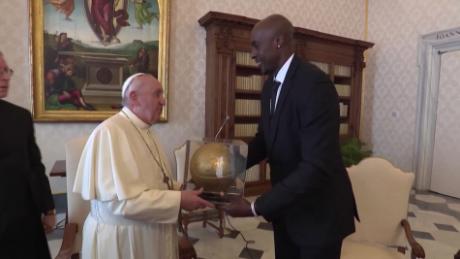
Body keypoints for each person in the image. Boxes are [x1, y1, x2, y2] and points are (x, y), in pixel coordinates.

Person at [223, 15, 357, 259]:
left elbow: (315, 166)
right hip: (286, 208)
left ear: (277, 42)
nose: (251, 53)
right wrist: (226, 166)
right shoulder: (269, 87)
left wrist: (254, 207)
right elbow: (265, 140)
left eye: (255, 45)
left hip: (319, 215)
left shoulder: (314, 85)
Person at [73, 73, 213, 259]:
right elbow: (120, 203)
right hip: (123, 240)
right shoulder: (110, 132)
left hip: (150, 233)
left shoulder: (145, 130)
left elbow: (154, 179)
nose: (163, 101)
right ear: (133, 97)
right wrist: (179, 200)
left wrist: (182, 189)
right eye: (157, 94)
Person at [0, 51, 56, 258]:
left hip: (23, 220)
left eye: (7, 70)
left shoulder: (20, 117)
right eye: (0, 72)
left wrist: (48, 209)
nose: (5, 77)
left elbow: (34, 165)